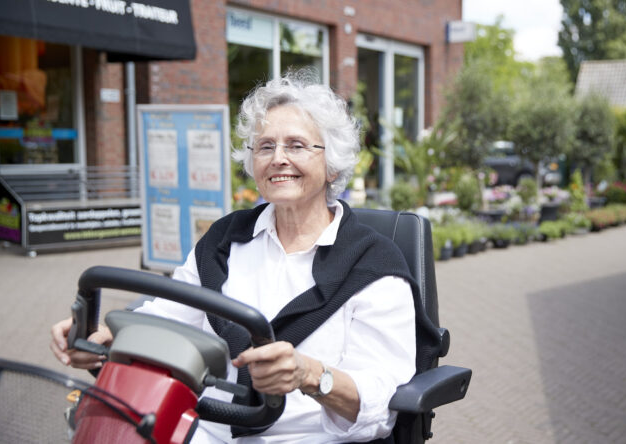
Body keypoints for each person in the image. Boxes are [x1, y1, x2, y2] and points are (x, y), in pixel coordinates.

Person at [50, 72, 437, 443]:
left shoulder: (374, 264)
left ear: (332, 164)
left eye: (297, 145)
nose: (278, 158)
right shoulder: (224, 239)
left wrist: (311, 375)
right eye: (265, 146)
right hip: (201, 428)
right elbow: (169, 317)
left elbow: (379, 400)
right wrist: (105, 336)